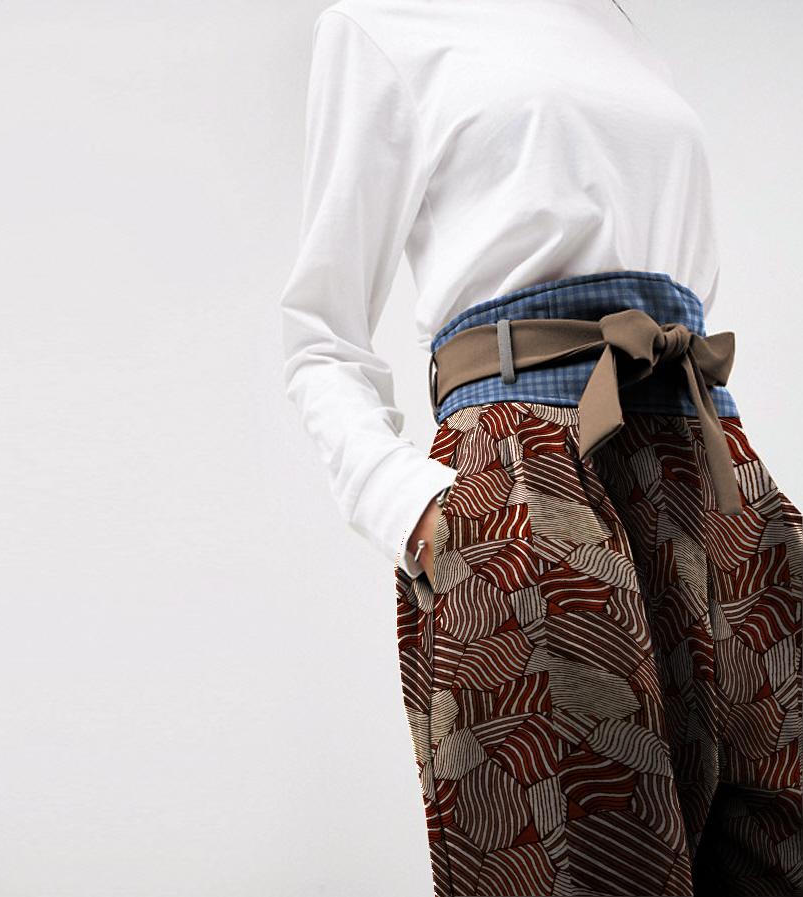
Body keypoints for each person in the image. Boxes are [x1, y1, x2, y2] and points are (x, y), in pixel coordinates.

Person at [278, 2, 803, 895]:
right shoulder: (383, 23)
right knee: (584, 860)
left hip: (710, 468)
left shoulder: (615, 24)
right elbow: (319, 336)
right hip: (528, 477)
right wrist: (420, 513)